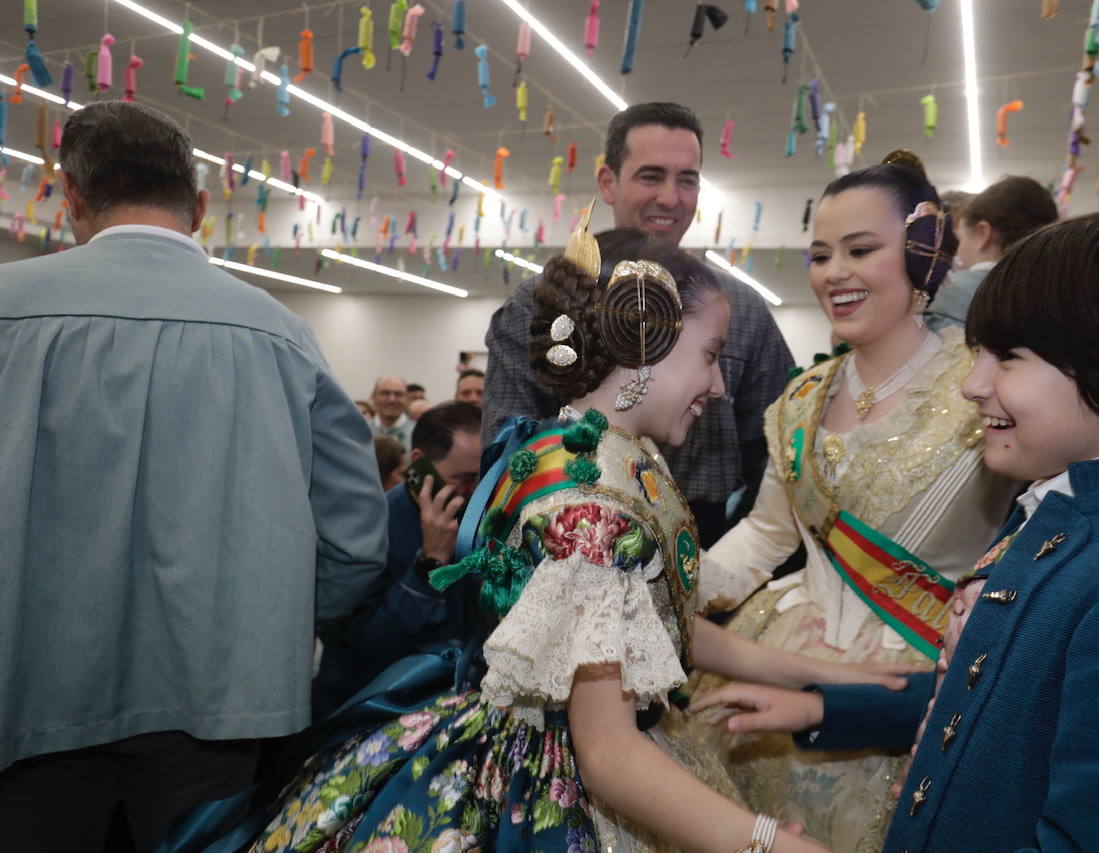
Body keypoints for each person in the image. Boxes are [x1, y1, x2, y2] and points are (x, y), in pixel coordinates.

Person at [165, 226, 915, 853]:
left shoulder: (592, 449)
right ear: (645, 342)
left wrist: (824, 675)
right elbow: (612, 756)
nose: (718, 385)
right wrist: (769, 843)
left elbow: (664, 629)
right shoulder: (593, 510)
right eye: (712, 355)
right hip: (550, 788)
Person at [685, 165, 1099, 851]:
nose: (975, 383)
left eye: (1008, 357)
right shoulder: (1046, 513)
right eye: (820, 254)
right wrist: (826, 705)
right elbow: (995, 694)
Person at [0, 100, 388, 853]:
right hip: (223, 708)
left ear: (72, 199)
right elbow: (356, 542)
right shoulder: (280, 334)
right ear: (202, 207)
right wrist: (269, 627)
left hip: (27, 699)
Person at [483, 102, 794, 546]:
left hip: (708, 546)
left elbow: (775, 459)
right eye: (651, 176)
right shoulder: (539, 303)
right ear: (608, 183)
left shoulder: (741, 310)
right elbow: (508, 456)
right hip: (566, 542)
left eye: (687, 180)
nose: (670, 197)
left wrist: (737, 563)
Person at [311, 401, 485, 719]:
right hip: (371, 712)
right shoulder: (366, 528)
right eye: (463, 478)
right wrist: (428, 563)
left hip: (452, 705)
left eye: (481, 477)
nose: (474, 491)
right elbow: (365, 651)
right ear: (419, 463)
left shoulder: (475, 523)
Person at [924, 175, 1057, 332]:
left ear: (983, 233)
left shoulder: (947, 293)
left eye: (960, 238)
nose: (956, 251)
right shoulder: (1053, 294)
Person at [369, 375, 413, 450]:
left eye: (398, 394)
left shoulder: (420, 433)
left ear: (407, 398)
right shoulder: (362, 431)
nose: (391, 400)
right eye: (385, 393)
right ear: (373, 397)